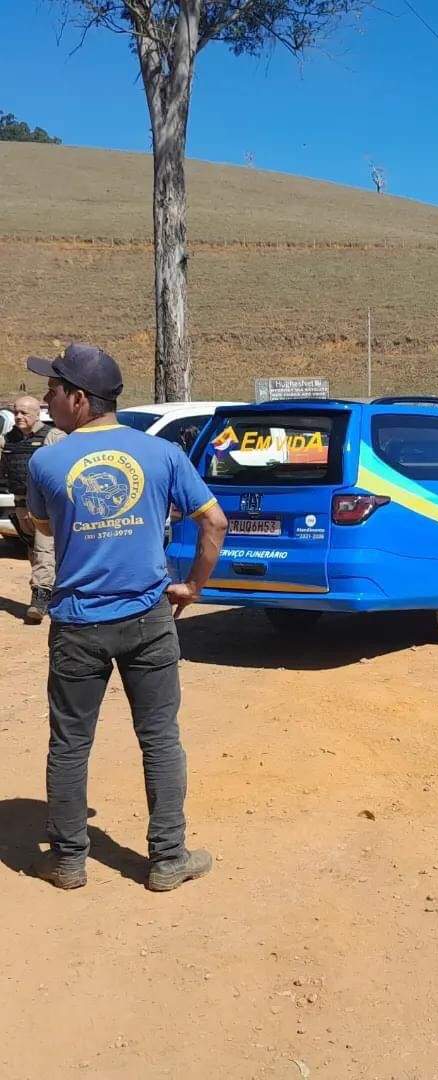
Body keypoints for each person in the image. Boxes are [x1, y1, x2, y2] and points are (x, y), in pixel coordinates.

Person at [24, 343, 228, 892]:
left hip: (78, 624)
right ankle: (167, 859)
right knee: (160, 738)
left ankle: (68, 860)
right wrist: (193, 587)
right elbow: (215, 522)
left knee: (70, 744)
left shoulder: (47, 460)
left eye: (54, 389)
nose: (46, 399)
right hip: (148, 616)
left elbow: (43, 528)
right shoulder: (160, 454)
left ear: (80, 399)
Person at [0, 395, 66, 623]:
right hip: (20, 504)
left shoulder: (53, 437)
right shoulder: (8, 439)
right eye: (16, 412)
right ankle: (54, 591)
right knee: (33, 552)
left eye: (24, 413)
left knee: (44, 551)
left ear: (38, 414)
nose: (18, 416)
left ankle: (39, 600)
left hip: (45, 506)